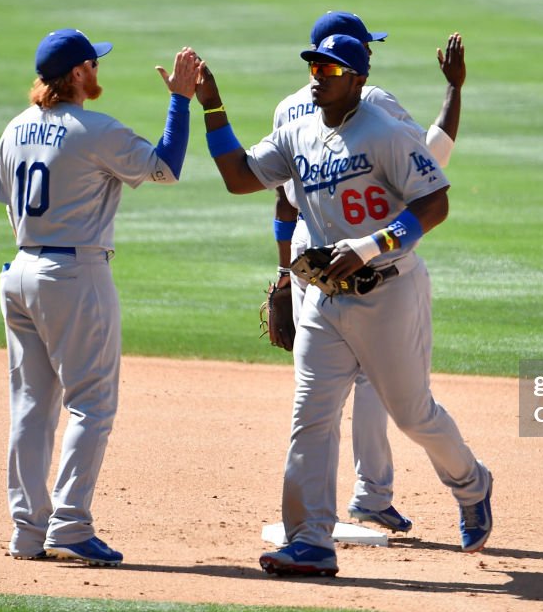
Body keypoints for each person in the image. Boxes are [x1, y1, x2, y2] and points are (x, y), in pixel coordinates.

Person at [197, 34, 492, 576]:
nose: (317, 76)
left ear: (356, 80)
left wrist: (372, 244)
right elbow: (239, 177)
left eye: (330, 70)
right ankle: (310, 539)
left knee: (412, 414)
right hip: (325, 302)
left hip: (390, 291)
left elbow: (435, 202)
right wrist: (212, 107)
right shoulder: (297, 132)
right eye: (314, 66)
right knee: (311, 419)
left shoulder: (384, 131)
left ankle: (472, 484)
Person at [0, 28, 201, 566]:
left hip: (20, 269)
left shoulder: (14, 129)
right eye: (94, 64)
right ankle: (70, 524)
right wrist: (180, 100)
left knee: (30, 408)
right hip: (73, 275)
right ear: (78, 74)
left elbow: (10, 203)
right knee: (91, 403)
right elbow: (167, 167)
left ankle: (26, 532)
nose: (98, 72)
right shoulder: (94, 130)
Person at [268, 11, 466, 534]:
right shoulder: (374, 103)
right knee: (380, 388)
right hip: (366, 264)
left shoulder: (288, 110)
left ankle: (331, 516)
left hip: (312, 268)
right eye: (365, 49)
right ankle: (369, 495)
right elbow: (433, 163)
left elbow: (283, 202)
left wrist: (285, 278)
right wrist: (453, 94)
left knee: (316, 405)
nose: (372, 57)